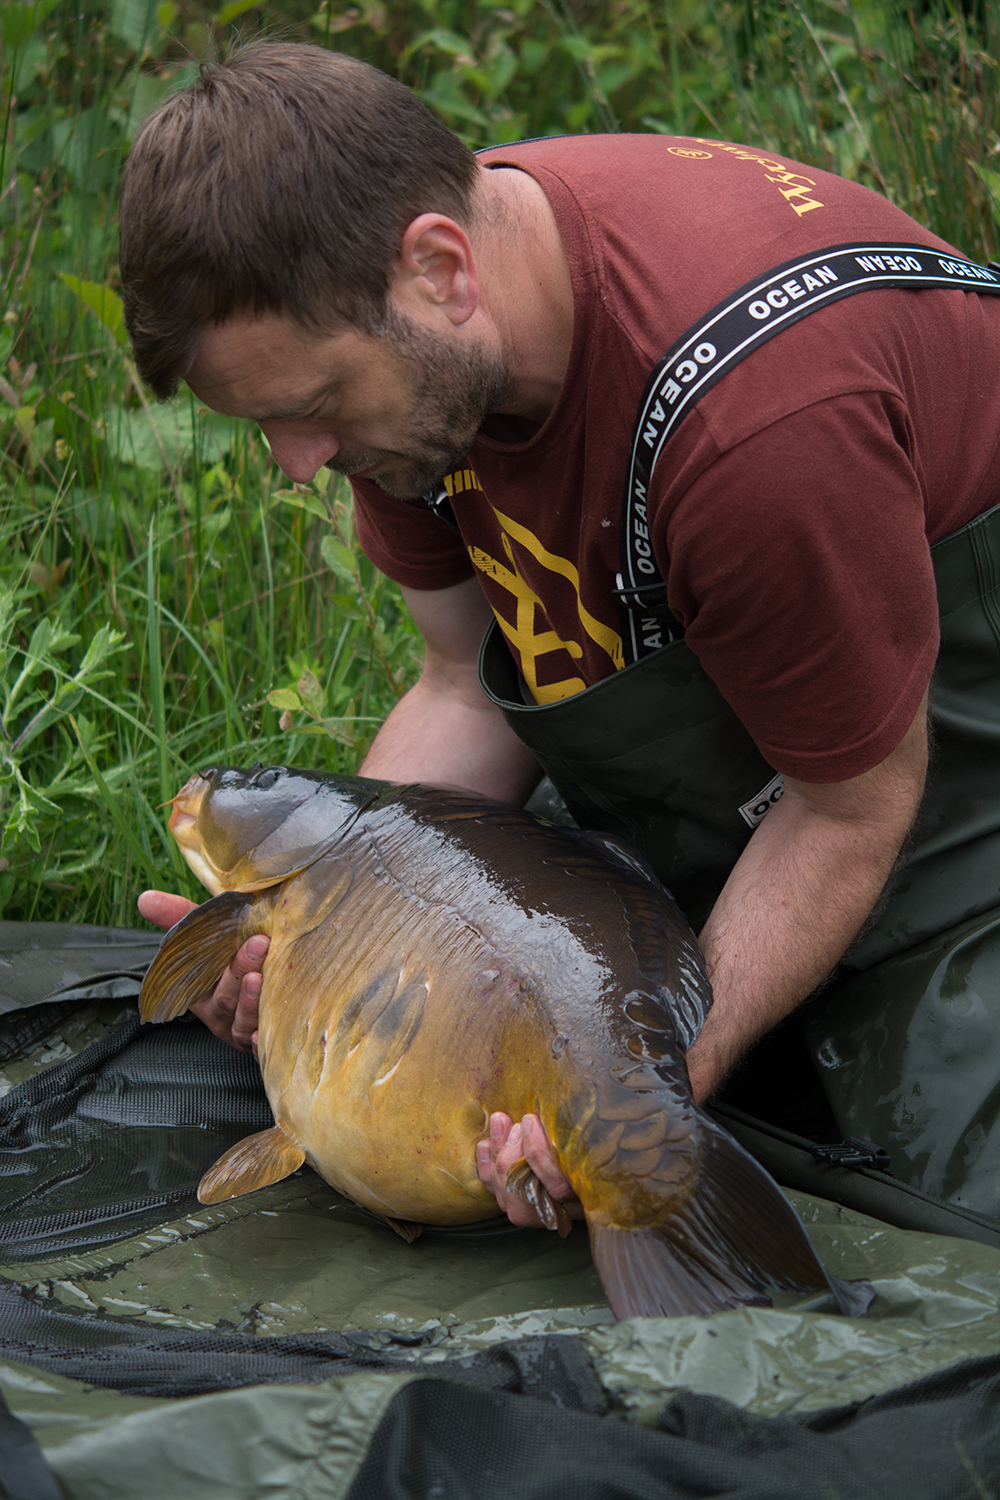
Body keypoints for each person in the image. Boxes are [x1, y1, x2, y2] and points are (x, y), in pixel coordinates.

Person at [121, 41, 1000, 1223]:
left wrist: (623, 1105)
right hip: (756, 766)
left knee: (948, 1208)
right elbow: (461, 687)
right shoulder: (419, 352)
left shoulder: (760, 429)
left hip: (938, 795)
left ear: (441, 269)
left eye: (311, 409)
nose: (299, 465)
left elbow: (852, 811)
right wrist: (321, 930)